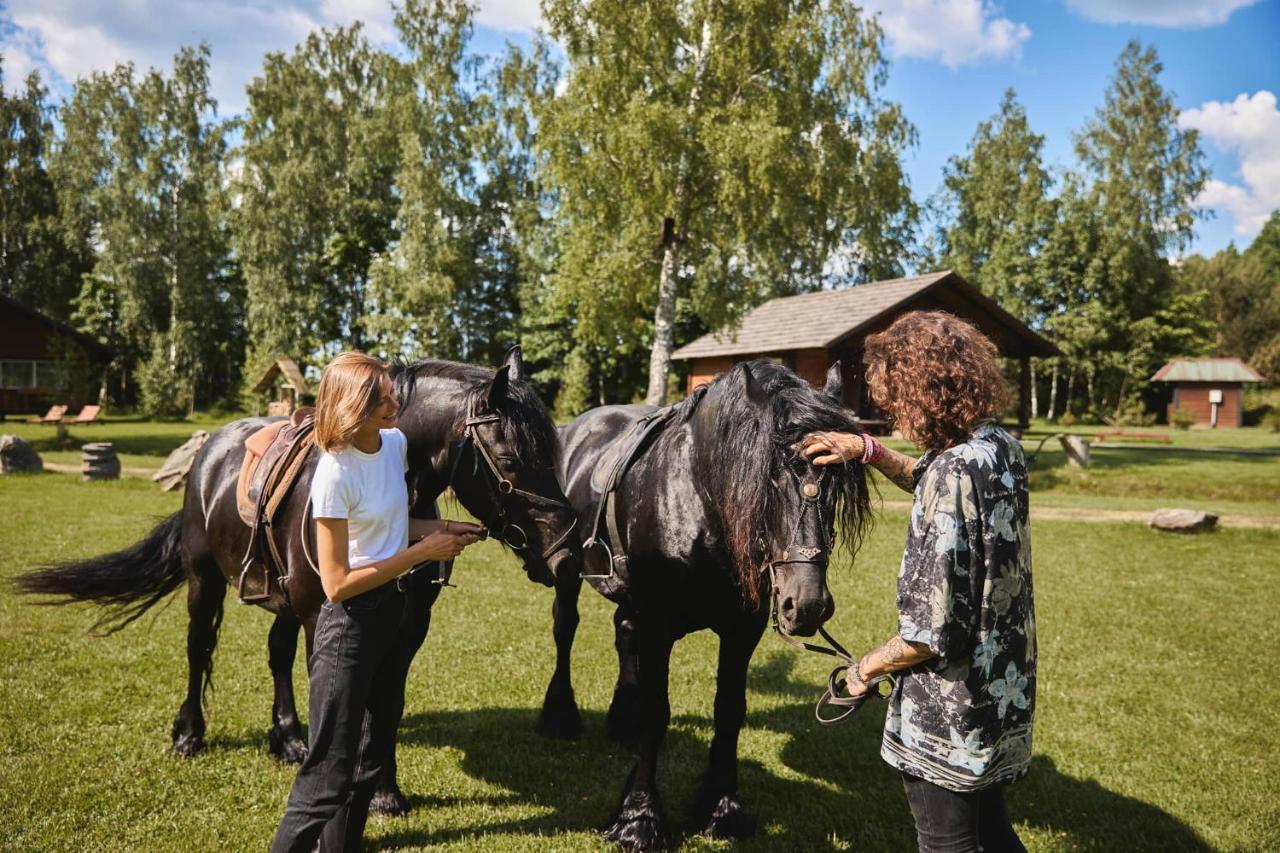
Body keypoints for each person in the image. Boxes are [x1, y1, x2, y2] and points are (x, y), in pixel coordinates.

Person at [802, 311, 1035, 853]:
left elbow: (929, 633)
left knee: (948, 843)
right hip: (1002, 689)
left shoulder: (954, 472)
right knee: (993, 833)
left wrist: (860, 671)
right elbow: (933, 478)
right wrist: (868, 450)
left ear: (921, 390)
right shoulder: (999, 449)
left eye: (895, 396)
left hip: (951, 705)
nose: (892, 411)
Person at [271, 352, 484, 853]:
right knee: (327, 775)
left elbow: (386, 526)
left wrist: (440, 529)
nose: (395, 401)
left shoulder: (392, 446)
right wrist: (422, 553)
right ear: (351, 406)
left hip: (391, 615)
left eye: (391, 391)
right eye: (382, 396)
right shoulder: (334, 476)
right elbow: (337, 583)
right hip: (349, 627)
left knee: (370, 761)